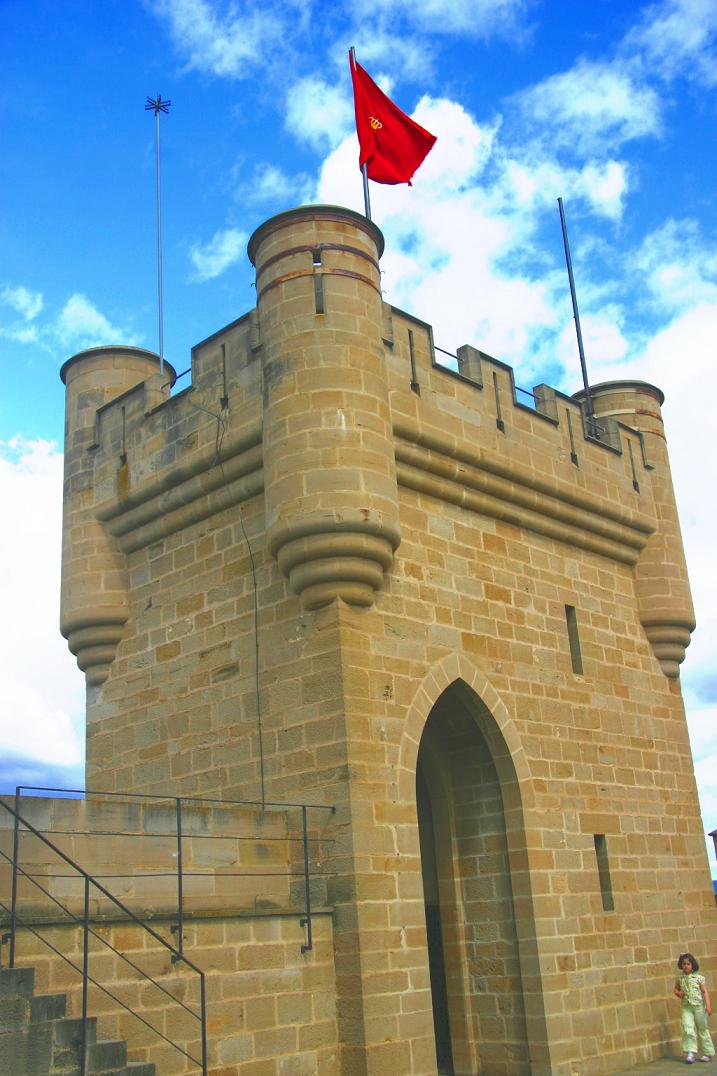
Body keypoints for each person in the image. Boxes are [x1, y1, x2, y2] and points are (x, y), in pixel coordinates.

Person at [675, 953, 715, 1064]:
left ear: (692, 965)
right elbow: (675, 990)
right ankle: (690, 1052)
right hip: (686, 1007)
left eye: (688, 964)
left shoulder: (699, 978)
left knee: (702, 1028)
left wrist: (708, 1005)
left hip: (698, 1007)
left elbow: (704, 991)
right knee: (687, 1027)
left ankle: (707, 1052)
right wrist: (679, 994)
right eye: (684, 964)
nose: (686, 966)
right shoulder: (680, 978)